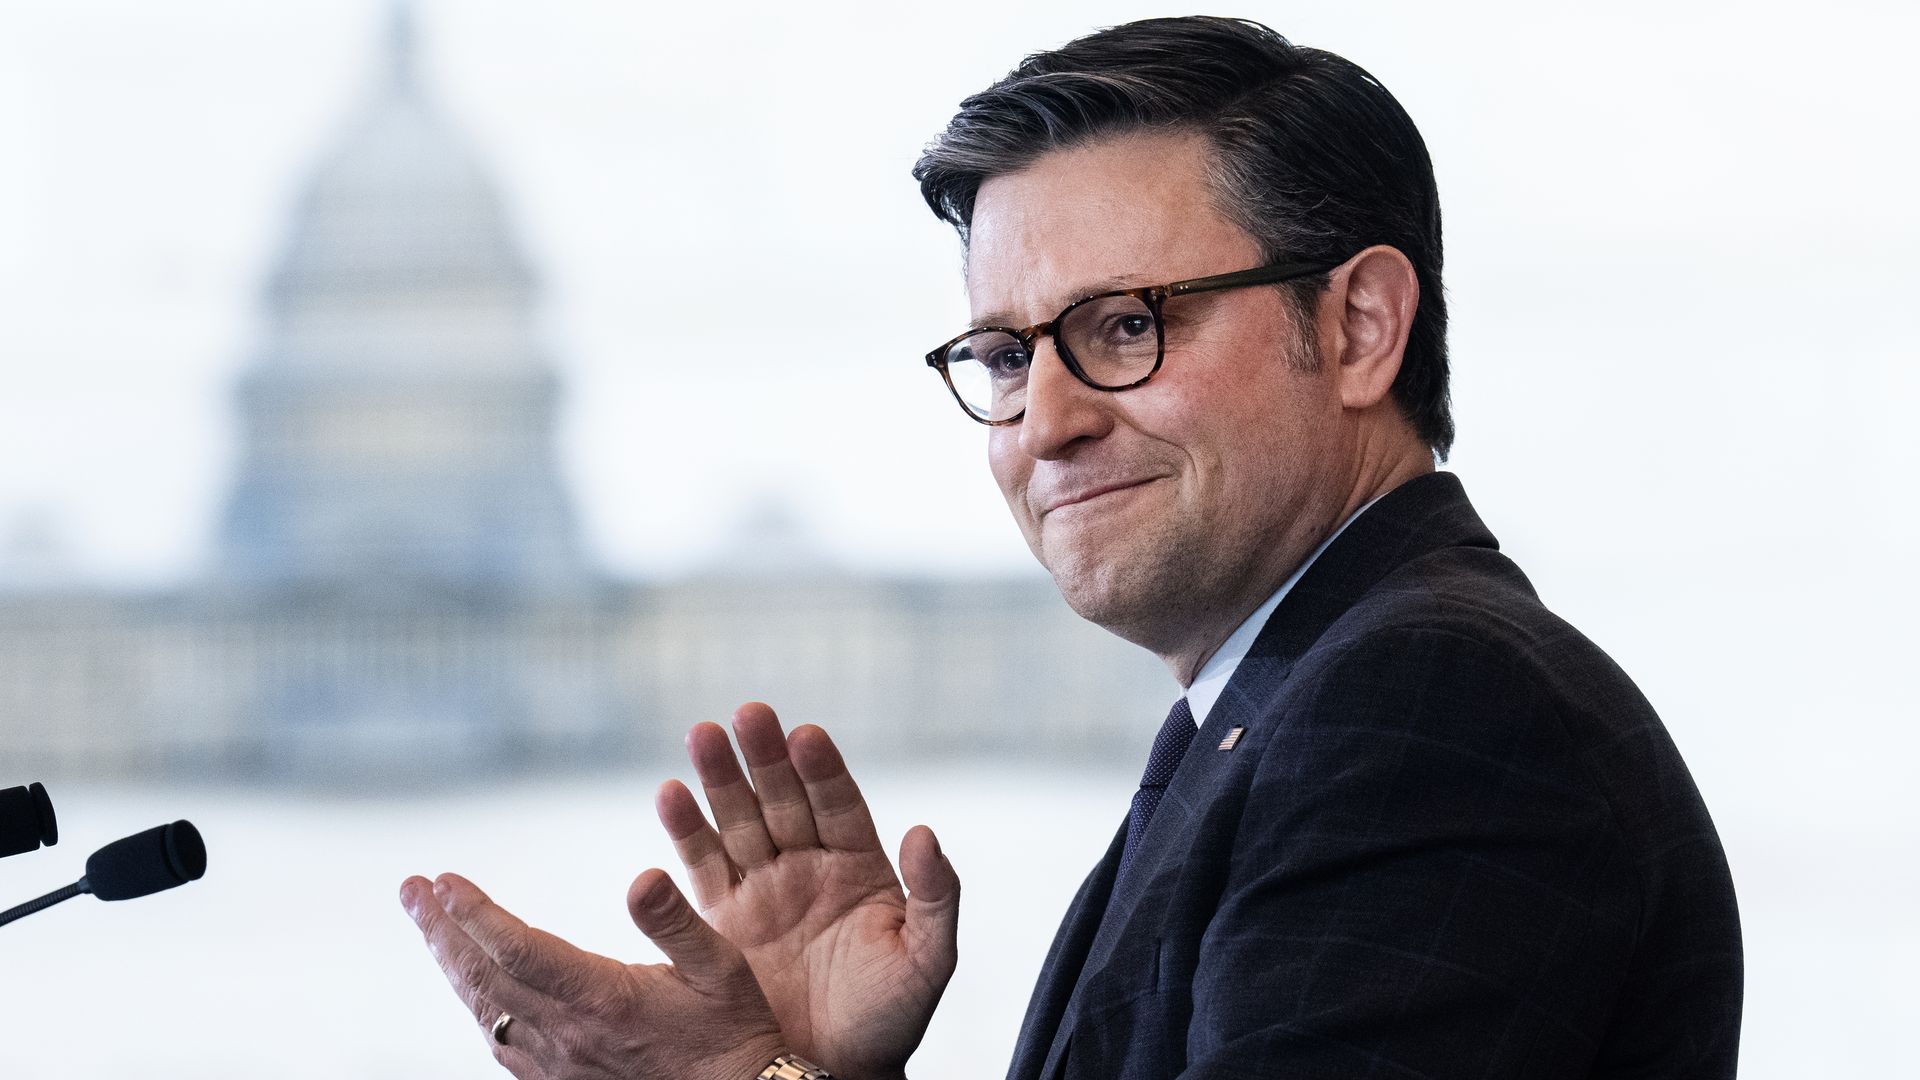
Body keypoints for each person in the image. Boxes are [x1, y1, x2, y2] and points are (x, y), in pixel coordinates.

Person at [399, 16, 1743, 1079]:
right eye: (1000, 355)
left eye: (1123, 328)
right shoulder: (1288, 704)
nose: (1044, 422)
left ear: (1358, 329)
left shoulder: (1430, 717)